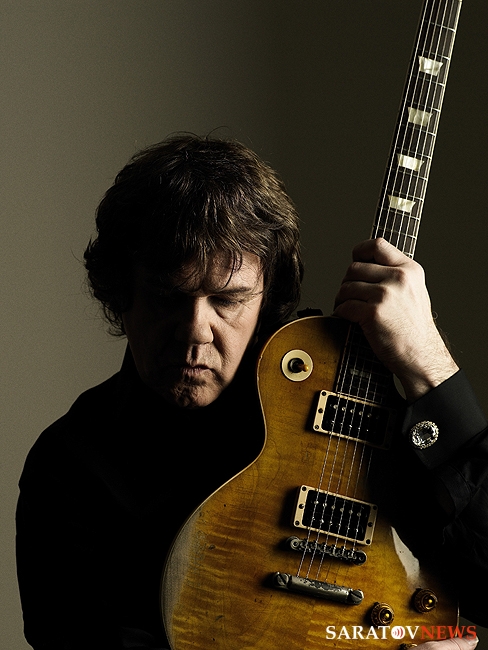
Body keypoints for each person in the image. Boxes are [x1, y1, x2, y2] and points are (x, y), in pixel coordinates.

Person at [16, 135, 487, 649]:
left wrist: (429, 368)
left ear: (267, 299)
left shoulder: (340, 409)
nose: (196, 330)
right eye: (168, 296)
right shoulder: (69, 466)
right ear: (120, 293)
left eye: (228, 300)